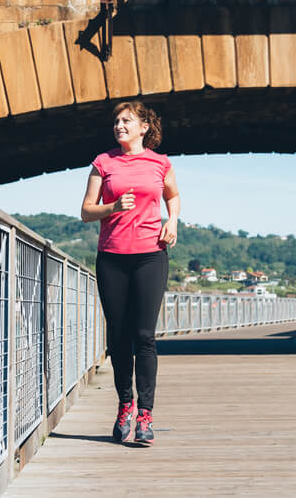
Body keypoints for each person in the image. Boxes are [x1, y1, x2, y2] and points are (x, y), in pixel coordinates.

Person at [81, 101, 179, 446]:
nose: (119, 126)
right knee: (119, 337)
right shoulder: (103, 163)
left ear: (144, 128)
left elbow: (173, 195)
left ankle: (146, 415)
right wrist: (112, 207)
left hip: (151, 256)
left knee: (145, 335)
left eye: (126, 121)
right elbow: (85, 212)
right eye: (117, 122)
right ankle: (125, 404)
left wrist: (173, 222)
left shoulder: (160, 163)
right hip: (112, 258)